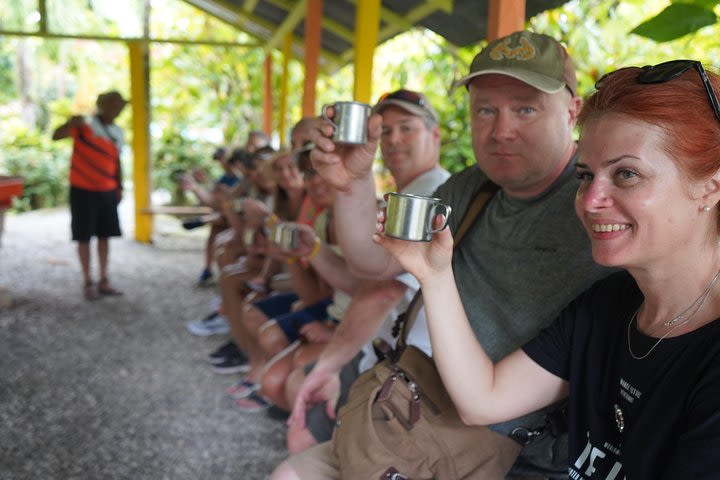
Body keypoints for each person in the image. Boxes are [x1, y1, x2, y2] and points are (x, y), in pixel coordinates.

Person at [272, 30, 613, 479]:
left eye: (525, 108)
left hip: (517, 445)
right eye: (485, 110)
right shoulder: (474, 188)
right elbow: (373, 264)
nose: (501, 130)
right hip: (424, 404)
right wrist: (352, 180)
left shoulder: (598, 204)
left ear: (572, 112)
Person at [376, 59, 720, 478]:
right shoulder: (610, 305)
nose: (591, 200)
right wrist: (434, 274)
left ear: (711, 187)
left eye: (626, 174)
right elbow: (482, 399)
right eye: (585, 174)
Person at [283, 89, 450, 454]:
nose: (393, 140)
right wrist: (313, 249)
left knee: (302, 431)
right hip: (388, 353)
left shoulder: (433, 193)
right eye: (385, 130)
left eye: (406, 128)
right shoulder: (406, 193)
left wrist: (330, 359)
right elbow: (367, 277)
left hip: (404, 367)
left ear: (435, 135)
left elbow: (382, 290)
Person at [52, 90, 127, 301]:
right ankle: (88, 281)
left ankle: (104, 279)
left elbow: (117, 161)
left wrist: (119, 186)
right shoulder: (84, 125)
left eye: (119, 105)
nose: (116, 108)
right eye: (113, 104)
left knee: (105, 235)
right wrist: (69, 123)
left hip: (107, 190)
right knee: (83, 236)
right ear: (102, 105)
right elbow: (56, 135)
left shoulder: (118, 132)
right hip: (82, 190)